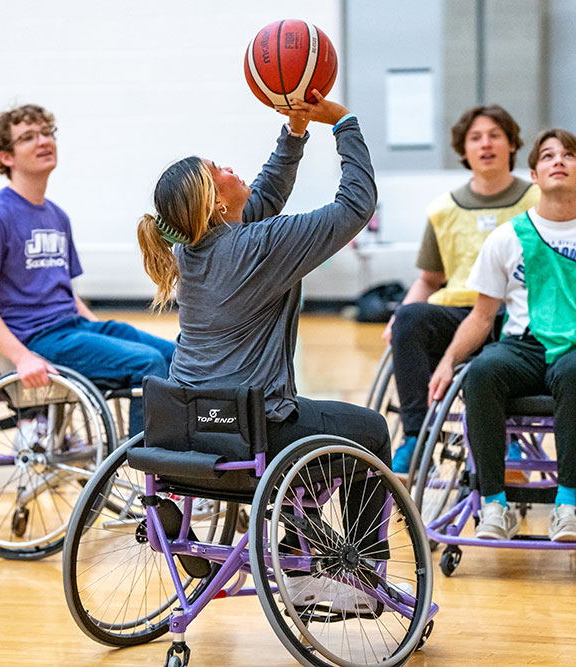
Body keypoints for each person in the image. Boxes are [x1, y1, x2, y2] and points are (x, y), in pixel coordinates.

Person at [136, 91, 391, 611]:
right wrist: (343, 121)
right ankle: (360, 574)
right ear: (215, 202)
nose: (232, 167)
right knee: (372, 430)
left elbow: (261, 199)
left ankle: (298, 544)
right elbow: (356, 205)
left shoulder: (191, 251)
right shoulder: (256, 246)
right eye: (219, 168)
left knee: (312, 426)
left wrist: (295, 133)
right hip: (252, 435)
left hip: (187, 433)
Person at [428, 129, 576, 543]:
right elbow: (483, 317)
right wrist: (449, 362)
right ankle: (494, 507)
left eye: (569, 155)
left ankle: (568, 507)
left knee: (575, 372)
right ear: (535, 175)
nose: (559, 160)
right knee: (482, 371)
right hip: (524, 347)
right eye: (548, 156)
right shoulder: (507, 237)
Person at [0, 104, 174, 436]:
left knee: (175, 355)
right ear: (6, 157)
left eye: (47, 133)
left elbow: (64, 293)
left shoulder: (57, 216)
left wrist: (98, 332)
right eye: (28, 137)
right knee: (146, 363)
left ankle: (182, 461)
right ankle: (143, 472)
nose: (43, 141)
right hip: (38, 339)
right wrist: (22, 357)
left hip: (73, 328)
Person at [383, 105, 540, 475]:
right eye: (475, 138)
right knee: (409, 319)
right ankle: (415, 439)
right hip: (458, 312)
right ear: (463, 151)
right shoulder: (443, 209)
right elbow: (429, 279)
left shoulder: (538, 202)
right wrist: (399, 315)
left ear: (512, 145)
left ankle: (509, 440)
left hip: (515, 314)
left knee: (506, 337)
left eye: (494, 135)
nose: (485, 144)